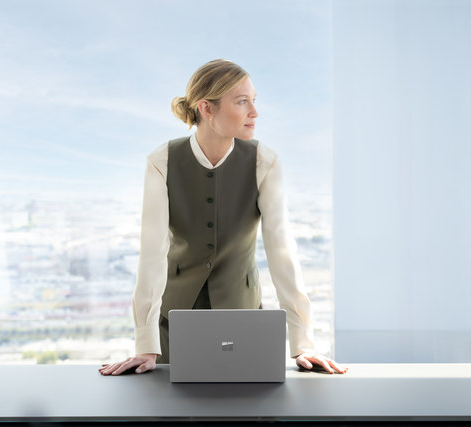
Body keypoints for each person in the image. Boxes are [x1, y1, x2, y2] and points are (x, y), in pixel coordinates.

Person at [99, 59, 347, 376]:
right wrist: (146, 344)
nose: (254, 113)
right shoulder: (162, 160)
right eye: (242, 102)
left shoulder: (264, 162)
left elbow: (282, 253)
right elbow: (151, 253)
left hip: (243, 319)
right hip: (174, 322)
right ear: (207, 108)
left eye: (253, 101)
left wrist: (303, 343)